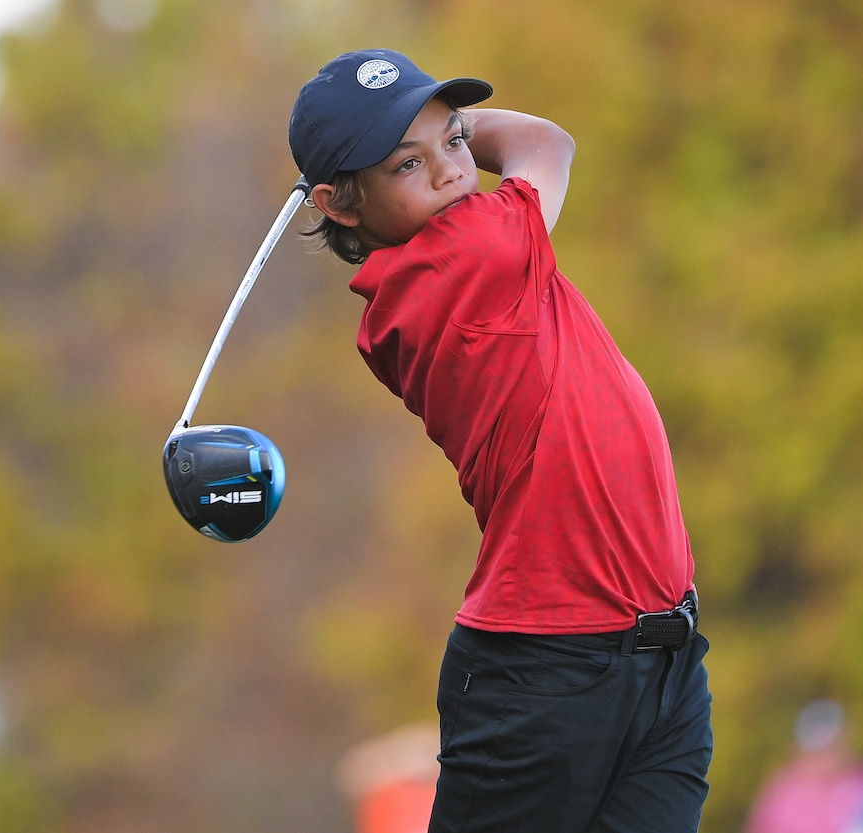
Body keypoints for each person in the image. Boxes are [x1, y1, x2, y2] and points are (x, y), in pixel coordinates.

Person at [287, 49, 712, 832]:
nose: (450, 172)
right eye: (405, 164)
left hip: (663, 658)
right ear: (340, 203)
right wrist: (462, 126)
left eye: (451, 143)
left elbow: (528, 152)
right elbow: (548, 142)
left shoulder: (488, 244)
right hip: (547, 673)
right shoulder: (467, 254)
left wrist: (425, 136)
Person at [746, 699, 863, 833]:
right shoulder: (785, 790)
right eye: (822, 749)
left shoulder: (857, 779)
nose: (828, 757)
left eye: (834, 745)